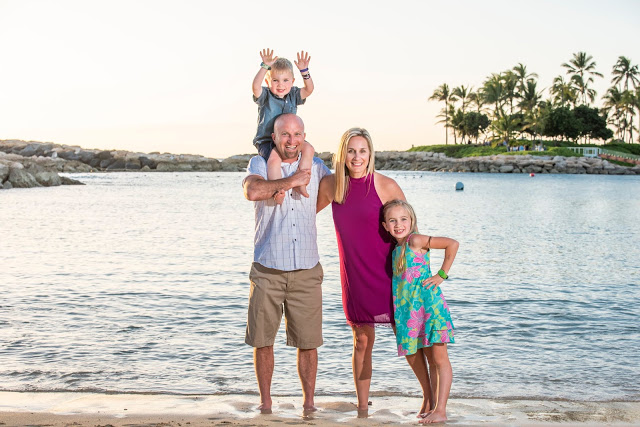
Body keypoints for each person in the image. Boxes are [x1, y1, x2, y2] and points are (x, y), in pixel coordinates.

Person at [242, 113, 330, 414]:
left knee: (309, 342)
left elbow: (339, 190)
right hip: (268, 268)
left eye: (297, 134)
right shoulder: (259, 164)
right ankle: (265, 403)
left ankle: (309, 404)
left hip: (307, 268)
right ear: (274, 136)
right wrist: (291, 181)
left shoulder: (317, 168)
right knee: (263, 340)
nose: (291, 140)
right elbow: (254, 191)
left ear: (304, 136)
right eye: (285, 134)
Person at [317, 128, 405, 415]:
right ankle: (362, 406)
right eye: (351, 151)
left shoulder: (385, 185)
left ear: (371, 154)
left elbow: (408, 228)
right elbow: (302, 215)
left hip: (388, 273)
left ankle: (430, 400)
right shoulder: (332, 185)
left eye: (362, 151)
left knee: (405, 335)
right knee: (362, 340)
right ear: (342, 154)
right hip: (355, 276)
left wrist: (418, 272)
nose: (357, 157)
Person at [381, 199, 459, 424]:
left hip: (429, 308)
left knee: (438, 358)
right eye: (393, 221)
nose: (398, 224)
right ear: (385, 226)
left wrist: (441, 275)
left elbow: (452, 244)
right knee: (416, 354)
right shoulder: (397, 249)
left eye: (403, 219)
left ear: (411, 221)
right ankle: (432, 403)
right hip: (409, 312)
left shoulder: (415, 240)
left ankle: (441, 410)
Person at [252, 48, 315, 204]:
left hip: (289, 140)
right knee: (274, 158)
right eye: (275, 80)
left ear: (292, 82)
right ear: (268, 81)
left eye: (286, 80)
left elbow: (309, 89)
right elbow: (255, 87)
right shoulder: (266, 96)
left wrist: (304, 71)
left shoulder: (293, 95)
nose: (281, 85)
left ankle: (302, 181)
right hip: (267, 140)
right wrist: (264, 66)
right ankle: (277, 191)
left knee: (309, 149)